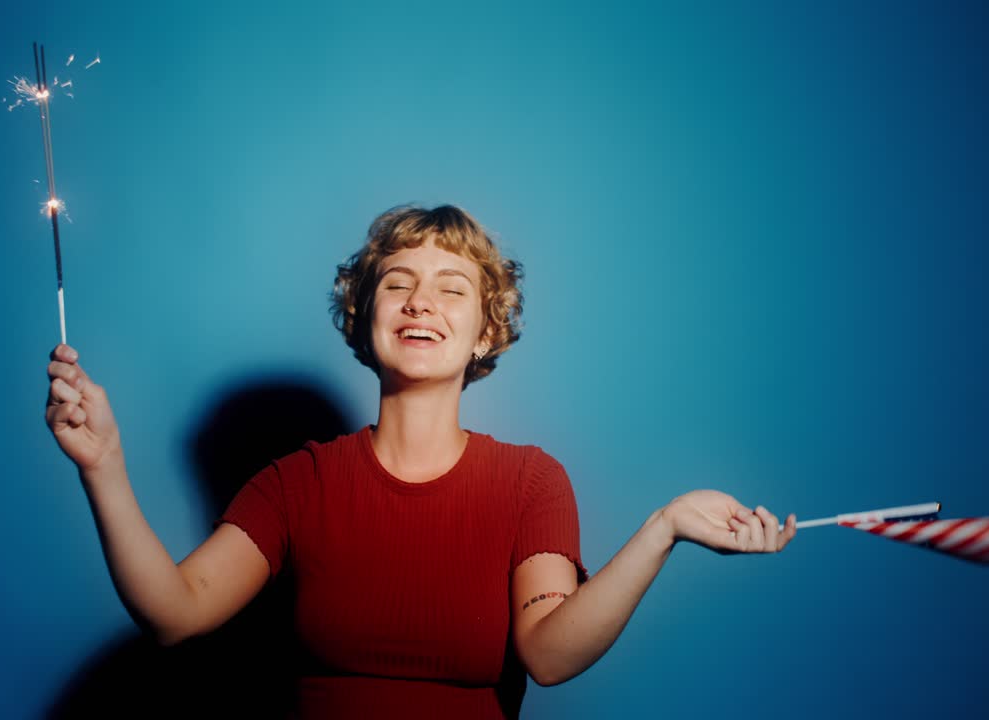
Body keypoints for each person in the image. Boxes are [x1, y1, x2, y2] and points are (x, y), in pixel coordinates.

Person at [44, 205, 797, 718]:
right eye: (396, 284)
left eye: (451, 289)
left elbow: (551, 654)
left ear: (483, 335)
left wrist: (662, 528)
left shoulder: (531, 484)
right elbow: (175, 614)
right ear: (363, 317)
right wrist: (103, 464)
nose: (418, 302)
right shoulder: (298, 481)